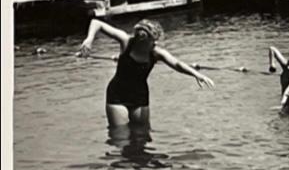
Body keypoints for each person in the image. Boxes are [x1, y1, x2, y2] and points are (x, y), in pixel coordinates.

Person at [78, 18, 213, 126]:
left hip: (140, 96)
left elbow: (177, 64)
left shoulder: (156, 53)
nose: (155, 44)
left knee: (142, 134)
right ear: (144, 39)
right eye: (154, 40)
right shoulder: (126, 42)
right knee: (120, 135)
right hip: (117, 95)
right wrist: (89, 39)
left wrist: (197, 74)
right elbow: (96, 23)